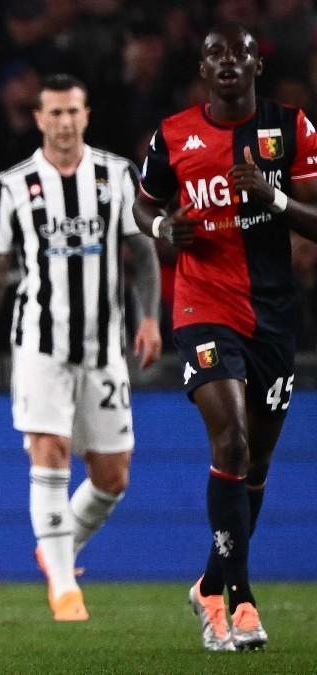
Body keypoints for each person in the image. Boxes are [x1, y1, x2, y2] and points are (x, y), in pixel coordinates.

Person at [133, 22, 317, 653]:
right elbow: (144, 206)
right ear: (204, 70)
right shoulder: (173, 134)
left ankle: (212, 584)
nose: (229, 62)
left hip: (271, 316)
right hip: (201, 304)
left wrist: (276, 198)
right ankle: (239, 602)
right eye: (216, 54)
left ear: (254, 67)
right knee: (231, 440)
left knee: (255, 464)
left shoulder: (292, 130)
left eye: (240, 53)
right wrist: (163, 228)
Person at [0, 74, 163, 622]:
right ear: (39, 119)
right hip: (39, 344)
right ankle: (64, 590)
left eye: (73, 111)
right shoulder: (12, 185)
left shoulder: (117, 175)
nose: (65, 122)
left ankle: (57, 546)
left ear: (86, 114)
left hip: (105, 348)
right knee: (47, 450)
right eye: (54, 113)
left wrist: (150, 318)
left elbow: (142, 253)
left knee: (113, 475)